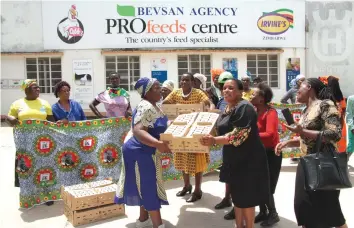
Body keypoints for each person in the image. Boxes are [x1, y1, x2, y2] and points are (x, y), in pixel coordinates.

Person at [275, 78, 348, 228]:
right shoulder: (305, 110)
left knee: (329, 212)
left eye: (298, 87)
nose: (296, 91)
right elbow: (307, 137)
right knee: (303, 208)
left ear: (309, 87)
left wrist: (302, 131)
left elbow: (334, 134)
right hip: (306, 163)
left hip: (322, 163)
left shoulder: (325, 105)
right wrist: (288, 143)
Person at [201, 78, 270, 228]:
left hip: (248, 160)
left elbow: (238, 136)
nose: (226, 90)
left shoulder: (245, 107)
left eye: (231, 88)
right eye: (224, 88)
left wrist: (213, 140)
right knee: (238, 198)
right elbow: (220, 129)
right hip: (234, 159)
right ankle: (239, 225)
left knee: (247, 199)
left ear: (240, 91)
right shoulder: (227, 108)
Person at [116, 77, 171, 228]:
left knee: (144, 184)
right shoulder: (146, 106)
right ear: (146, 92)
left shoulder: (155, 105)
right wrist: (158, 144)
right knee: (148, 186)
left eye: (159, 87)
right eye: (156, 88)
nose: (160, 90)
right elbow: (138, 131)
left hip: (147, 149)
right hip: (139, 150)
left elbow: (158, 124)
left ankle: (143, 219)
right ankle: (157, 225)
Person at [163, 72, 214, 202]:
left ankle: (198, 190)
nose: (184, 82)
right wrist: (172, 112)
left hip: (196, 131)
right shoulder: (176, 93)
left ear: (192, 82)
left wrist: (205, 113)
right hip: (180, 131)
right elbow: (165, 102)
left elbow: (208, 104)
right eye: (182, 80)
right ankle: (186, 186)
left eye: (187, 80)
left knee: (196, 162)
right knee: (181, 159)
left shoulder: (198, 93)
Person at [6, 79, 55, 206]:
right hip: (25, 144)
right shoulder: (17, 104)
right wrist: (9, 118)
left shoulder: (45, 104)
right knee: (27, 167)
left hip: (43, 144)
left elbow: (52, 122)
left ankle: (46, 194)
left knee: (44, 166)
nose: (38, 89)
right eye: (35, 88)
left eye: (38, 87)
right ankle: (28, 195)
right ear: (26, 89)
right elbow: (10, 119)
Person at [250, 82, 281, 226]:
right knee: (258, 184)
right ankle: (263, 212)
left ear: (262, 99)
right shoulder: (254, 111)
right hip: (259, 152)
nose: (250, 96)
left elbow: (269, 134)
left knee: (267, 185)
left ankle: (273, 213)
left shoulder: (271, 112)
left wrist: (250, 134)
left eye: (253, 94)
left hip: (271, 153)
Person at [327, 76, 346, 152]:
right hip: (340, 123)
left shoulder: (326, 97)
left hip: (329, 124)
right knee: (340, 145)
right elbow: (344, 111)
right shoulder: (341, 98)